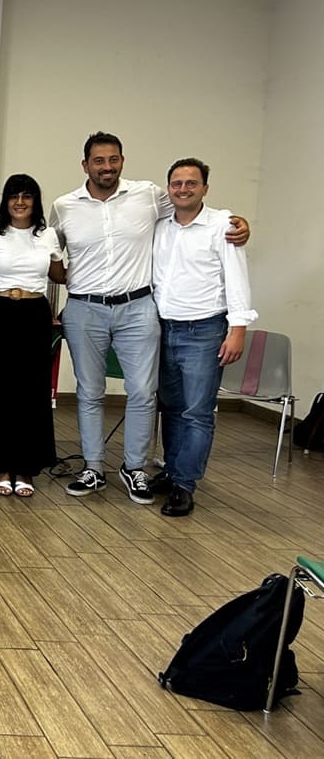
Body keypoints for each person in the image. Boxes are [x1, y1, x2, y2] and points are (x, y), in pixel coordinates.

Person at [50, 132, 249, 504]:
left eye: (113, 159)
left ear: (122, 161)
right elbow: (50, 252)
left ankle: (135, 468)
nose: (107, 167)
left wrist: (235, 223)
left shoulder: (148, 195)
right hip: (84, 309)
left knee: (143, 392)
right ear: (85, 165)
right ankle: (93, 467)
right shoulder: (64, 206)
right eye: (99, 161)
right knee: (89, 392)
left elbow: (192, 204)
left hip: (139, 308)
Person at [149, 158, 256, 516]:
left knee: (197, 412)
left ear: (205, 188)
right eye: (177, 183)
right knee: (171, 408)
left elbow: (237, 279)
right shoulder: (161, 226)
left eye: (191, 183)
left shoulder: (222, 226)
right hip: (164, 328)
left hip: (205, 331)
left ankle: (184, 485)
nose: (183, 189)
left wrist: (238, 329)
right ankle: (171, 471)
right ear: (169, 188)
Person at [0, 175, 62, 498]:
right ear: (5, 201)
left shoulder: (48, 235)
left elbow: (59, 274)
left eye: (27, 196)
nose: (20, 202)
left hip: (34, 316)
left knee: (31, 391)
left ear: (36, 201)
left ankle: (25, 467)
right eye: (13, 196)